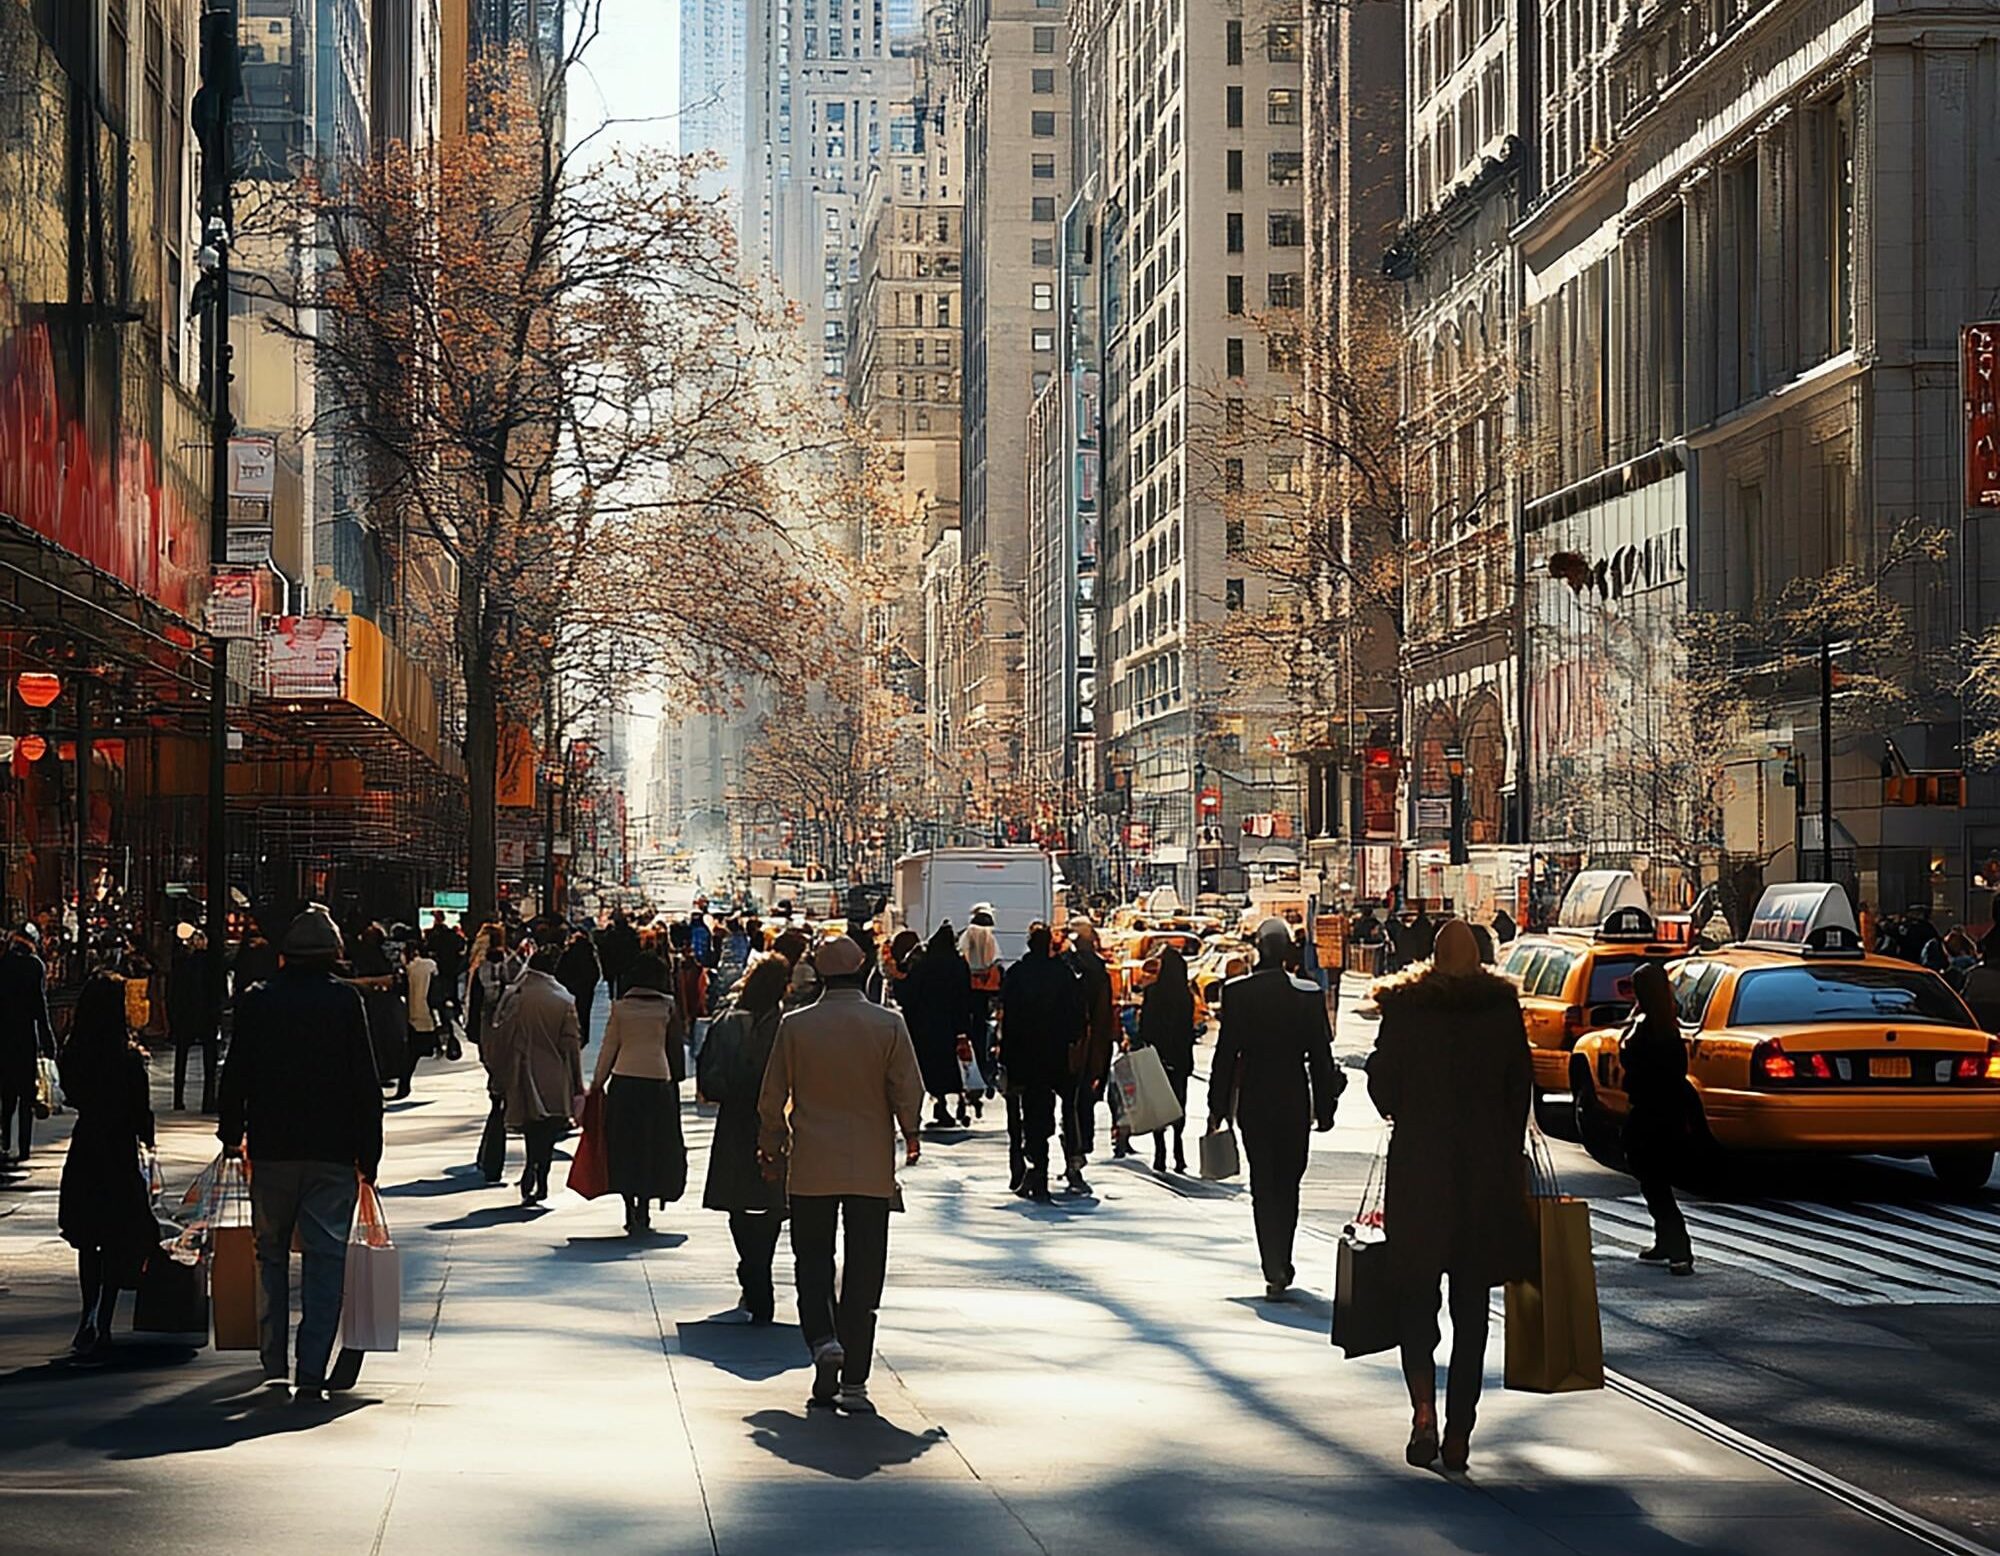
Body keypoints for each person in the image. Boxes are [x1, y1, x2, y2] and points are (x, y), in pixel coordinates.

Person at [1366, 919, 1537, 1472]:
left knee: (1415, 1297)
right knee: (1472, 1307)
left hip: (1420, 1170)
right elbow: (1520, 1087)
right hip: (1484, 1177)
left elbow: (1381, 1083)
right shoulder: (1500, 1010)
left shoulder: (1407, 1008)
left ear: (1433, 958)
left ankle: (1422, 1411)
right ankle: (1461, 1429)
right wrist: (1505, 1147)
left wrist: (1405, 1113)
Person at [217, 906, 383, 1402]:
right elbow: (364, 1083)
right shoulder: (345, 1003)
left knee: (268, 1254)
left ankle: (274, 1360)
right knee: (325, 1257)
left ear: (285, 955)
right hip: (333, 1151)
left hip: (272, 1148)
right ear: (333, 955)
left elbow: (237, 1071)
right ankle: (312, 1368)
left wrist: (231, 1131)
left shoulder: (258, 1002)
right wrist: (368, 1154)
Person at [758, 935, 924, 1414]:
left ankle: (823, 1339)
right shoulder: (888, 1024)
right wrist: (910, 1134)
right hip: (870, 1164)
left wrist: (770, 1146)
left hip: (811, 1161)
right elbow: (906, 1088)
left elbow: (772, 1097)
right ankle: (855, 1378)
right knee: (865, 1265)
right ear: (862, 969)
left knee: (812, 1258)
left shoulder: (796, 1025)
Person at [1206, 918, 1342, 1301]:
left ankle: (1272, 1264)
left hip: (1255, 1098)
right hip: (1294, 1097)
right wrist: (1326, 1106)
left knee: (1263, 1184)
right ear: (1286, 952)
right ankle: (1283, 1254)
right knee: (1289, 1183)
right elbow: (1320, 1055)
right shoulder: (1308, 994)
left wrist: (1217, 1106)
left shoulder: (1238, 993)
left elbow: (1225, 1055)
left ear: (1258, 949)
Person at [57, 972, 158, 1363]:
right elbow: (140, 1109)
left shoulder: (76, 1051)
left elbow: (72, 1093)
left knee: (89, 1239)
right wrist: (147, 1137)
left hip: (88, 1143)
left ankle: (88, 1312)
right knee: (116, 1234)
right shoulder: (128, 1056)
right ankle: (106, 1318)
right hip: (118, 1148)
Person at [699, 954, 791, 1321]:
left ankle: (750, 1268)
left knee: (737, 1199)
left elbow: (709, 1075)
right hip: (775, 1117)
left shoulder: (727, 1022)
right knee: (772, 1199)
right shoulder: (787, 1025)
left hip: (735, 1116)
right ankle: (759, 1267)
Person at [589, 951, 687, 1235]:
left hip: (624, 1081)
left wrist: (597, 1083)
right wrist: (676, 1081)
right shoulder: (668, 1007)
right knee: (652, 1144)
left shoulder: (620, 1008)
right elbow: (675, 1048)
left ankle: (628, 1202)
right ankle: (645, 1201)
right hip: (658, 1081)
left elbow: (609, 1047)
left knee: (623, 1145)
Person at [485, 946, 585, 1206]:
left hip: (521, 1070)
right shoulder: (564, 1000)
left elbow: (499, 1035)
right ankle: (542, 1173)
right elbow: (571, 1045)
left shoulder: (514, 996)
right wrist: (577, 1083)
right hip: (554, 1073)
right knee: (549, 1129)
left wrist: (497, 1071)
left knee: (530, 1127)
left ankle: (531, 1165)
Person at [1621, 960, 1699, 1276]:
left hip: (1648, 1115)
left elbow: (1630, 1057)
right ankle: (1665, 1241)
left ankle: (1679, 1248)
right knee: (1655, 1183)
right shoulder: (1668, 1026)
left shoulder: (1645, 1028)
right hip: (1667, 1113)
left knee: (1655, 1185)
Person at [997, 924, 1085, 1202]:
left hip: (1025, 1053)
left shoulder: (1017, 974)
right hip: (1055, 1053)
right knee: (1057, 1107)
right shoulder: (1062, 975)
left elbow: (1008, 1017)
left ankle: (1037, 1168)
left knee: (1031, 1111)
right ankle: (1051, 1165)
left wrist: (1006, 1054)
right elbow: (1076, 1015)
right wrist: (1071, 1040)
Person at [1062, 921, 1119, 1189]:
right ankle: (1080, 1149)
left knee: (1067, 1102)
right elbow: (1104, 1017)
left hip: (1065, 1046)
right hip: (1092, 1048)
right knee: (1085, 1101)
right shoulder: (1099, 973)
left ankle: (1071, 1151)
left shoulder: (1065, 967)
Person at [1134, 941, 1197, 1173]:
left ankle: (1160, 1151)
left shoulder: (1154, 992)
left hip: (1158, 1056)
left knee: (1159, 1103)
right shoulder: (1186, 996)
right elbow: (1187, 1027)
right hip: (1180, 1056)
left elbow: (1147, 1025)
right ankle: (1178, 1150)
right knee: (1180, 1101)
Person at [902, 925, 973, 1128]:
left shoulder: (923, 965)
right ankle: (953, 1103)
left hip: (924, 1025)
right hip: (949, 1025)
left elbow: (910, 995)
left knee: (925, 1068)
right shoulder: (958, 965)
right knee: (950, 1065)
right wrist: (963, 1027)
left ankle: (933, 1104)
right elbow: (963, 997)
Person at [0, 922, 56, 1164]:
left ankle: (4, 1142)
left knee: (6, 1094)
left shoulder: (2, 964)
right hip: (25, 1038)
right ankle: (24, 1147)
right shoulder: (35, 967)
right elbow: (39, 1008)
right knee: (26, 1094)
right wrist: (48, 1039)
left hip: (3, 1037)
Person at [348, 923, 411, 1101]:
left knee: (377, 1036)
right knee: (389, 1036)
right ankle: (389, 1070)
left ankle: (383, 1070)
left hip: (373, 1000)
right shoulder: (390, 952)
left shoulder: (361, 953)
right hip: (387, 1000)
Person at [166, 931, 223, 1112]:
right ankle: (207, 1100)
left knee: (181, 1058)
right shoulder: (213, 965)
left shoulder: (181, 963)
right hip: (207, 1015)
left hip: (186, 1015)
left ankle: (178, 1099)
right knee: (209, 1061)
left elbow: (173, 992)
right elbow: (220, 992)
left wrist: (174, 1017)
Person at [959, 906, 1003, 1100]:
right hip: (985, 1002)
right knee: (983, 1036)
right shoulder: (990, 947)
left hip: (967, 1000)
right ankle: (987, 1073)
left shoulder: (964, 942)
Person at [423, 912, 467, 1057]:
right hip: (451, 974)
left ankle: (444, 1030)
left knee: (439, 1003)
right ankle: (451, 1025)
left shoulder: (433, 937)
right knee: (450, 1000)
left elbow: (428, 951)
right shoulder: (453, 936)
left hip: (439, 974)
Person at [557, 930, 603, 1039]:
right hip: (585, 990)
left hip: (570, 989)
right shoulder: (589, 953)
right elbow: (595, 973)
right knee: (584, 1013)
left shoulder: (567, 954)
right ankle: (583, 1035)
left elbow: (560, 972)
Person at [404, 940, 439, 1065]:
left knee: (412, 1051)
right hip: (426, 1012)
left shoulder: (406, 969)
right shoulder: (430, 965)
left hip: (409, 1014)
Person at [597, 909, 641, 997]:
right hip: (626, 963)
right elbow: (636, 949)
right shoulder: (631, 933)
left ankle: (613, 997)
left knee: (613, 983)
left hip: (613, 963)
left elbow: (604, 950)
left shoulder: (610, 934)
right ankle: (620, 997)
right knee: (623, 985)